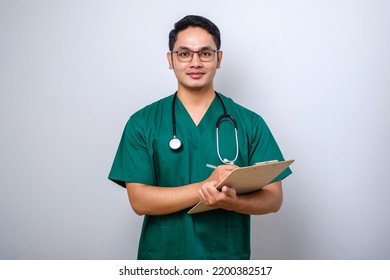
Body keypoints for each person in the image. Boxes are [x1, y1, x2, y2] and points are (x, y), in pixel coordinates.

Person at [108, 15, 292, 260]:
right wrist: (208, 186)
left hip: (225, 260)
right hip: (163, 259)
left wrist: (232, 202)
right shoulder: (143, 123)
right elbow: (139, 201)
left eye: (205, 53)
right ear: (170, 60)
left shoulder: (249, 123)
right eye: (184, 54)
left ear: (219, 59)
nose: (195, 62)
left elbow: (273, 198)